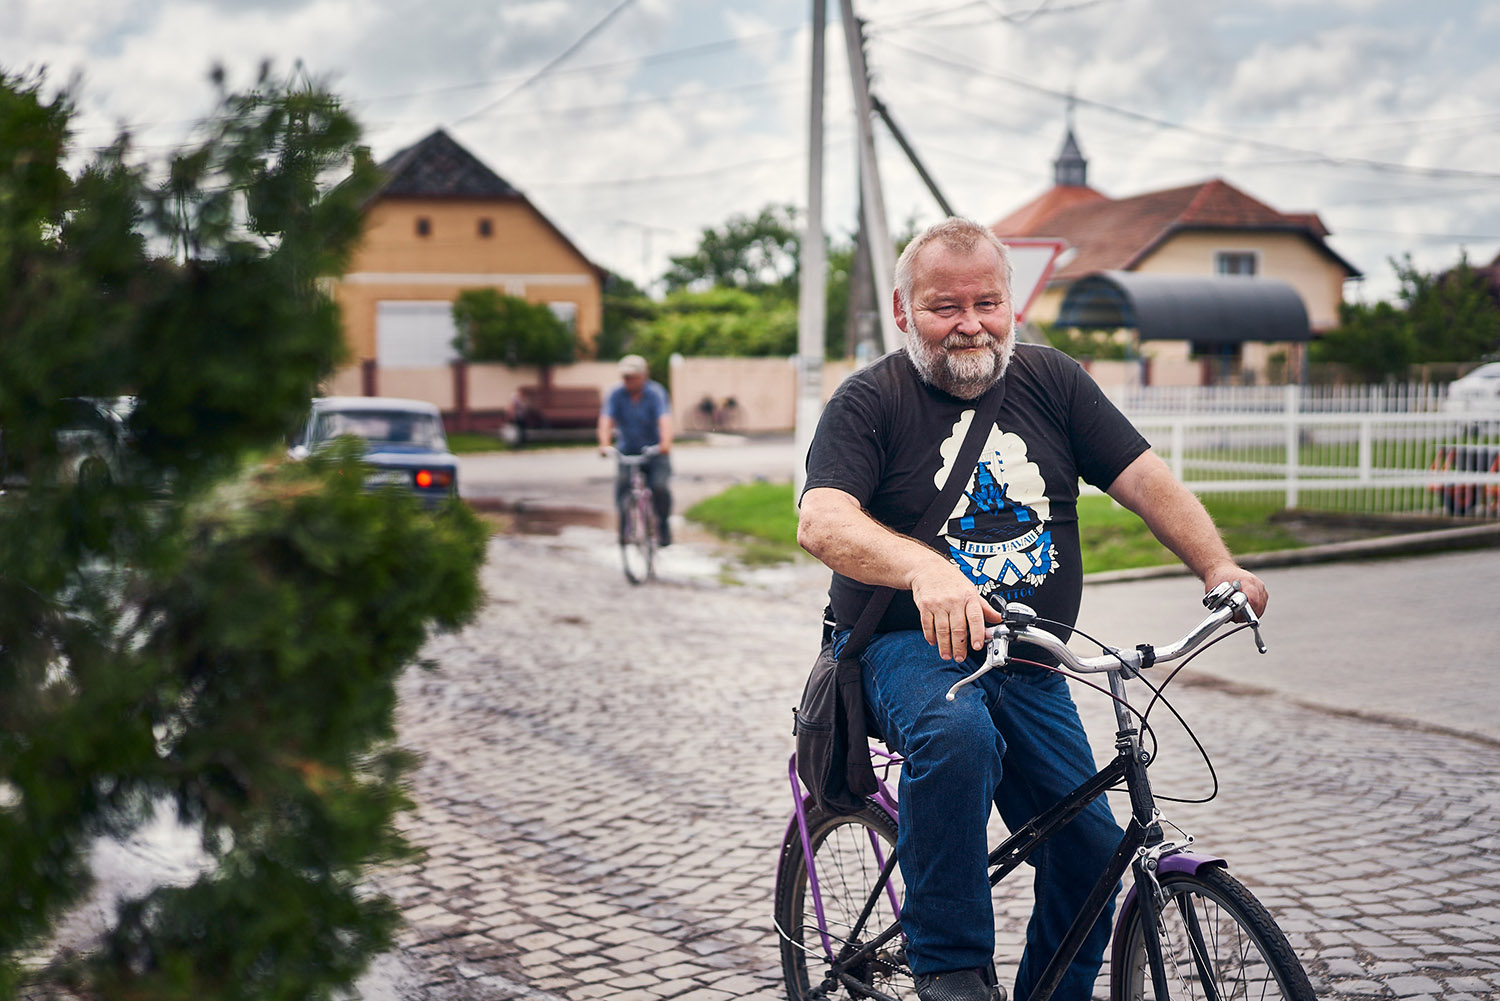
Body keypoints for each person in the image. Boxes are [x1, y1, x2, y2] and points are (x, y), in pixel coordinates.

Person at [797, 218, 1269, 1001]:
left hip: (1031, 658)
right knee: (957, 733)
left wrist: (1218, 565)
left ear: (1011, 301)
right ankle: (950, 968)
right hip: (906, 649)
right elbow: (822, 519)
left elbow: (1145, 478)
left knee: (1089, 854)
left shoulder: (1054, 381)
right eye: (946, 306)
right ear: (904, 310)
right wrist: (924, 571)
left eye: (988, 301)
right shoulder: (869, 400)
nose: (971, 323)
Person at [598, 354, 674, 545]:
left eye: (632, 377)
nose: (628, 381)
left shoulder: (655, 393)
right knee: (623, 483)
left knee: (659, 487)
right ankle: (624, 527)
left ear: (643, 376)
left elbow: (664, 420)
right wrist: (604, 443)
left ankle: (663, 526)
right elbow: (606, 420)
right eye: (625, 377)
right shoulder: (616, 393)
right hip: (627, 449)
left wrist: (665, 443)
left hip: (654, 449)